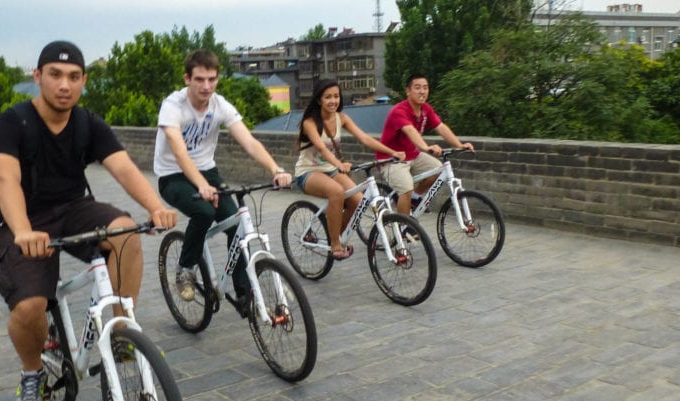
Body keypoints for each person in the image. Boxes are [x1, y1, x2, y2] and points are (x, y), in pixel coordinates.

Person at [0, 40, 177, 401]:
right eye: (55, 75)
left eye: (74, 77)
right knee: (29, 307)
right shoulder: (13, 122)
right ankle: (32, 370)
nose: (64, 85)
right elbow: (6, 180)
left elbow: (123, 167)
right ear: (37, 76)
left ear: (83, 82)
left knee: (125, 232)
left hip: (74, 207)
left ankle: (121, 330)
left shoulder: (87, 123)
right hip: (21, 219)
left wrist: (155, 207)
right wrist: (23, 231)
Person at [155, 49, 292, 315]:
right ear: (187, 79)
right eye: (199, 79)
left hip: (207, 171)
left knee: (237, 222)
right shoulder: (173, 106)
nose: (206, 86)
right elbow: (179, 151)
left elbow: (249, 141)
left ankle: (243, 291)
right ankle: (185, 268)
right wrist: (200, 186)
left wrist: (275, 168)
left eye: (212, 79)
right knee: (204, 211)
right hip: (172, 174)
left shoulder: (220, 105)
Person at [294, 79, 405, 258]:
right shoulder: (310, 122)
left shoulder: (342, 118)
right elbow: (322, 148)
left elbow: (365, 139)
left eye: (336, 96)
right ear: (319, 100)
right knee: (336, 193)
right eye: (328, 97)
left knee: (359, 200)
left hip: (331, 170)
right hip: (307, 172)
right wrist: (339, 164)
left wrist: (393, 152)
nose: (333, 101)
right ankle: (335, 244)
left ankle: (336, 231)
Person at [377, 74, 473, 214]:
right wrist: (426, 148)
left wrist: (459, 145)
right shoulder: (399, 111)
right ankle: (404, 228)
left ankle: (416, 198)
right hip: (392, 159)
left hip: (413, 155)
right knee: (406, 189)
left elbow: (440, 127)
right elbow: (410, 130)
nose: (422, 91)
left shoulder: (426, 109)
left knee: (439, 170)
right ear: (408, 91)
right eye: (417, 87)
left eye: (425, 87)